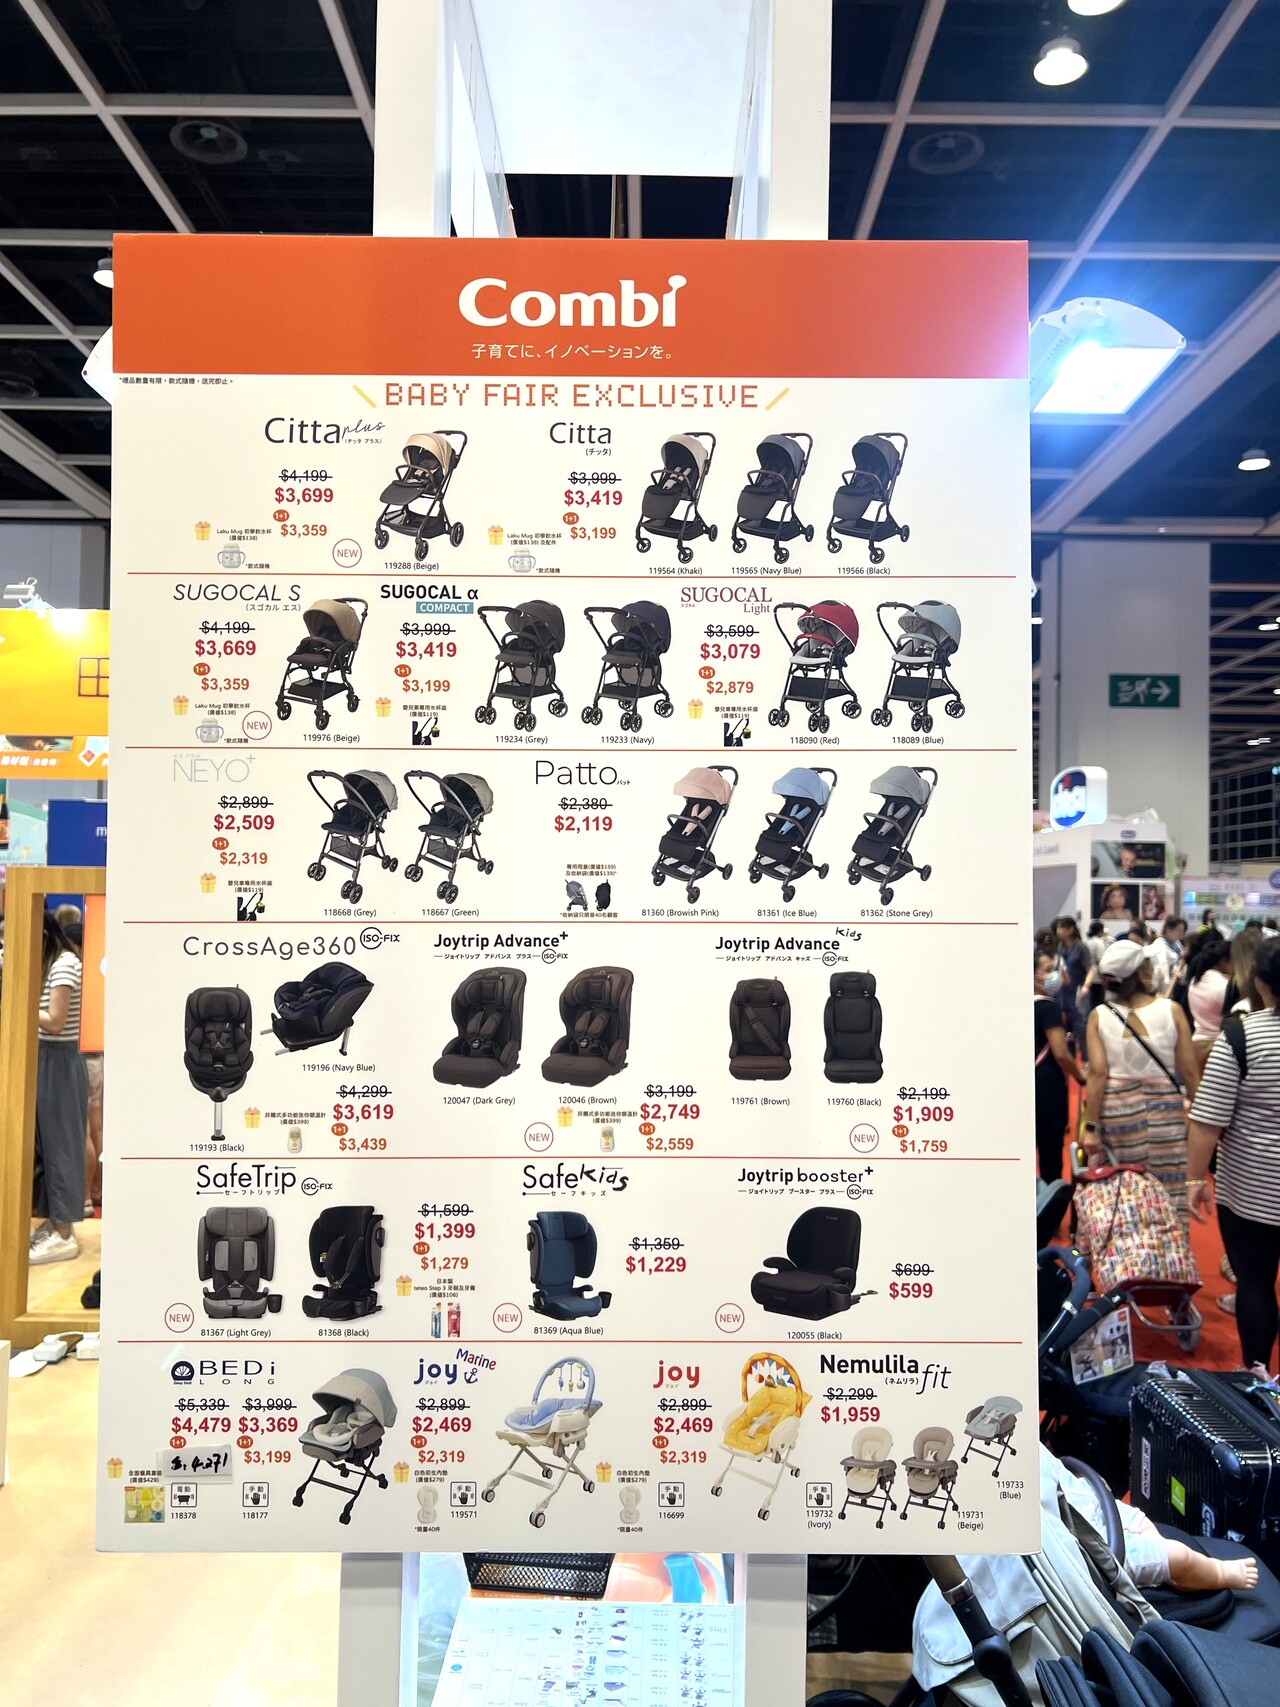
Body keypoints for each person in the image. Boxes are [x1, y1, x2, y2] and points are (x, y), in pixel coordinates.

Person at [1188, 937, 1280, 1379]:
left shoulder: (1242, 1035)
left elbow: (1208, 1119)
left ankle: (1257, 1377)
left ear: (1259, 982)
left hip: (1251, 1190)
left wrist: (1194, 1180)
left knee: (1255, 1282)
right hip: (1250, 1189)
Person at [1082, 938, 1200, 1226]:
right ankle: (1170, 1246)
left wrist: (1091, 1128)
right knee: (1168, 1186)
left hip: (1117, 1110)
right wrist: (1202, 1117)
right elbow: (1189, 1071)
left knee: (1122, 1188)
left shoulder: (1099, 1015)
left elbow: (1097, 1074)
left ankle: (1127, 1246)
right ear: (1141, 973)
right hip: (1166, 1111)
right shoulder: (1172, 1010)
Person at [30, 910, 88, 1264]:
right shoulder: (53, 963)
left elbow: (54, 1022)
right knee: (49, 1148)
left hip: (59, 1059)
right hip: (45, 1058)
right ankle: (56, 1223)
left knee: (62, 1147)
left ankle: (64, 1233)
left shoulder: (65, 964)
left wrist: (17, 1003)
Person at [1035, 950, 1086, 1181]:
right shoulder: (1049, 1008)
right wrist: (1080, 1075)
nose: (1053, 976)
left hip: (1024, 1087)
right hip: (1047, 1087)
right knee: (1050, 1155)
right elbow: (1061, 1053)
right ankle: (1050, 1199)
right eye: (1047, 970)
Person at [1187, 934, 1232, 1066]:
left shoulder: (1195, 981)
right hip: (1219, 1047)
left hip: (1195, 1044)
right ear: (1225, 961)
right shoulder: (1225, 985)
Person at [1053, 916, 1091, 1051]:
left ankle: (1086, 1057)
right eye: (1058, 928)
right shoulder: (1060, 947)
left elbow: (1090, 970)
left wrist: (1086, 986)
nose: (1058, 931)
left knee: (1080, 1024)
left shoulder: (1081, 947)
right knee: (1065, 1025)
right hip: (1063, 992)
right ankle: (1070, 1055)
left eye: (1061, 928)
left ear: (1070, 930)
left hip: (1077, 990)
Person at [1149, 916, 1186, 995]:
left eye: (1183, 930)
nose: (1181, 933)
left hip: (1177, 980)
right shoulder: (1160, 944)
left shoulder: (1177, 943)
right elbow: (1162, 968)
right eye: (1179, 930)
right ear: (1169, 929)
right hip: (1166, 985)